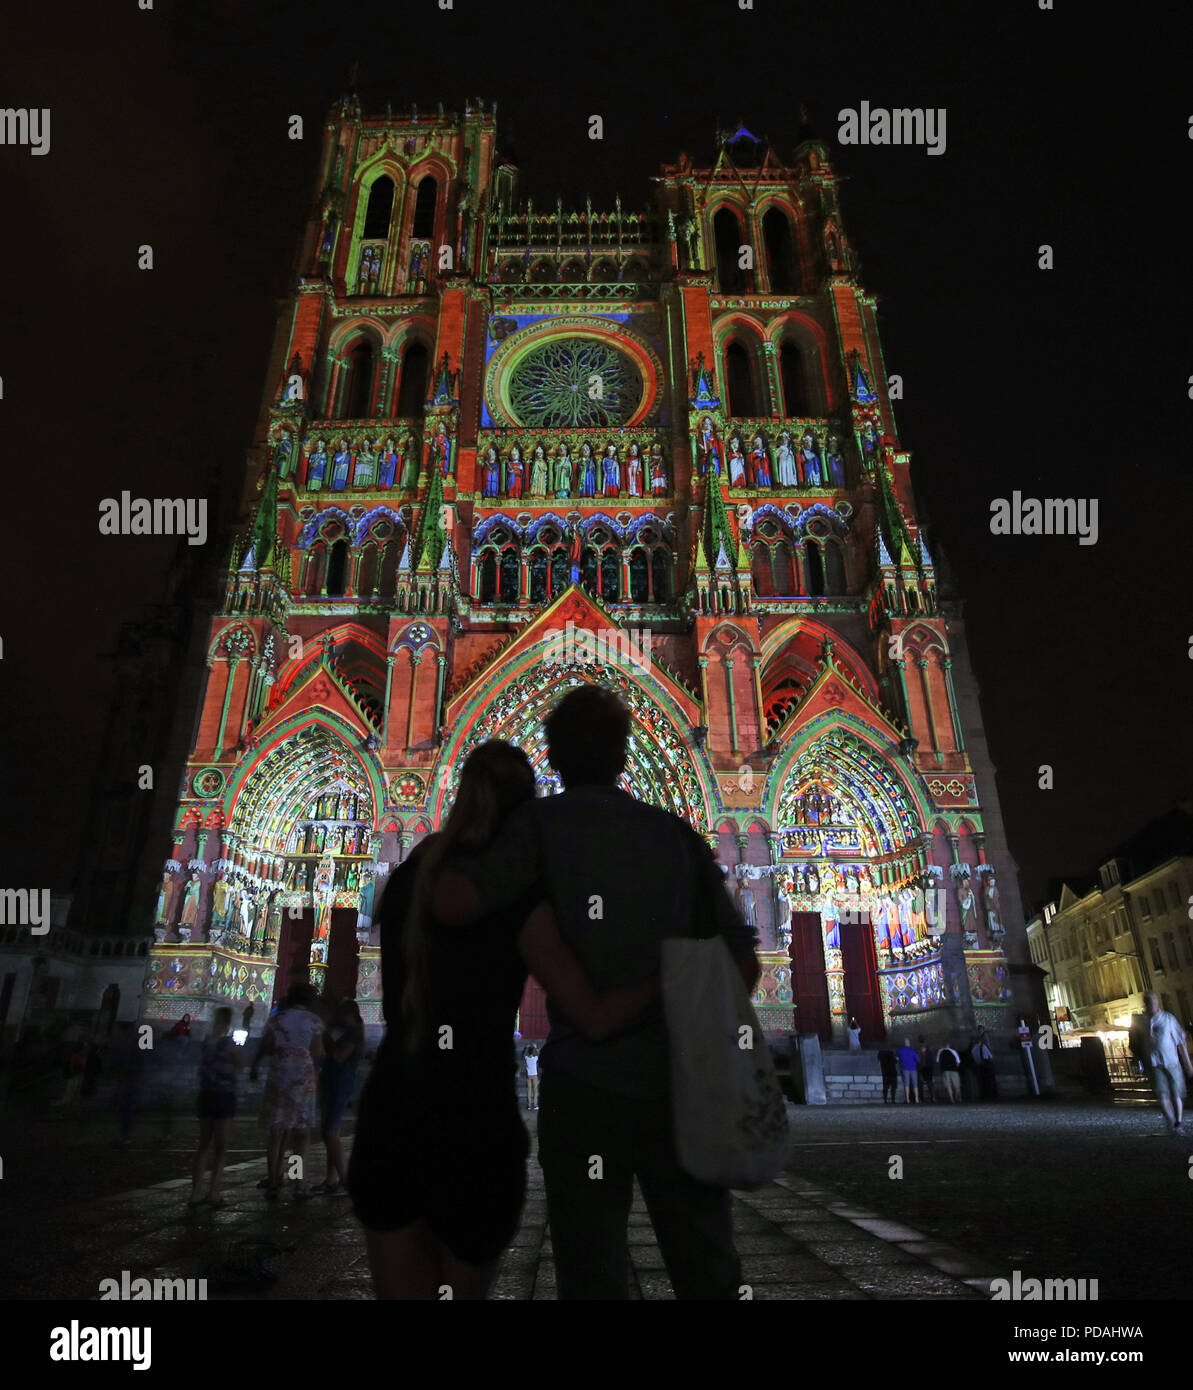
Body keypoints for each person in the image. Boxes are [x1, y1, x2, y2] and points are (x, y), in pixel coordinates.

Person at [434, 688, 761, 1301]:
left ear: (552, 758)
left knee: (590, 1270)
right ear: (625, 753)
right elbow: (742, 963)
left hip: (582, 1086)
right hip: (680, 1089)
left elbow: (454, 902)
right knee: (706, 1262)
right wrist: (673, 996)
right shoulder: (676, 836)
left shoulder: (538, 827)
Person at [348, 740, 660, 1301]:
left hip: (391, 1116)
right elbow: (590, 1011)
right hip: (474, 1125)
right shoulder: (512, 893)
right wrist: (669, 977)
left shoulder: (407, 878)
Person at [252, 983, 325, 1199]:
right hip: (302, 1077)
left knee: (277, 1131)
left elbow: (266, 1045)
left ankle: (274, 1179)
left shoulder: (278, 1018)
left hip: (279, 1074)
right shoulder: (313, 1021)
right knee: (300, 1133)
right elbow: (318, 1051)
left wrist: (256, 1065)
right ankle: (298, 1183)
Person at [190, 1006, 242, 1207]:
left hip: (205, 1095)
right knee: (221, 1146)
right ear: (229, 1024)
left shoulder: (205, 1043)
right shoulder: (231, 1045)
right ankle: (213, 1192)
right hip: (224, 1096)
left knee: (203, 1144)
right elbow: (240, 1065)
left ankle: (195, 1192)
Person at [314, 998, 364, 1195]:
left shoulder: (353, 1033)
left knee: (331, 1133)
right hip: (333, 1084)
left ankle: (345, 1181)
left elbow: (338, 1055)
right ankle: (330, 1179)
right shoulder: (348, 1032)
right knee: (328, 1132)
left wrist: (324, 1035)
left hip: (340, 1086)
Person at [1141, 991, 1193, 1134]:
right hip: (1154, 1063)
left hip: (1171, 1062)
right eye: (1147, 1002)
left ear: (1157, 1003)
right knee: (1162, 1094)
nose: (1150, 1004)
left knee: (1176, 1094)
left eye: (1152, 1001)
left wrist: (1187, 1063)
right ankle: (1171, 1121)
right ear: (1144, 1004)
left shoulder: (1168, 1019)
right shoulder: (1142, 1021)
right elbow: (1140, 1043)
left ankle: (1178, 1122)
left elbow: (1180, 1041)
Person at [971, 1029, 997, 1099]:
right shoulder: (983, 1047)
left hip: (979, 1066)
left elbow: (974, 1058)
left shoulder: (973, 1049)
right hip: (987, 1065)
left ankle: (985, 1094)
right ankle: (992, 1094)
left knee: (983, 1081)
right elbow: (990, 1056)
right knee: (990, 1080)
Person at [896, 1036, 920, 1104]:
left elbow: (897, 1059)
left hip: (905, 1069)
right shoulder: (912, 1050)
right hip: (913, 1068)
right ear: (909, 1043)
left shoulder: (900, 1050)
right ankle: (916, 1099)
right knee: (915, 1084)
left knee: (907, 1084)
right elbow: (918, 1060)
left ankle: (907, 1099)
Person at [917, 1034, 935, 1102]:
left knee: (921, 1083)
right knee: (929, 1082)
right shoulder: (929, 1048)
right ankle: (932, 1097)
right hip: (928, 1067)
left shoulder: (919, 1048)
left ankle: (922, 1098)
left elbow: (918, 1058)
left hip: (922, 1067)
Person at [523, 1043, 540, 1111]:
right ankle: (535, 1105)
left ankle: (529, 1105)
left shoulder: (527, 1058)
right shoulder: (535, 1058)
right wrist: (535, 1048)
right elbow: (539, 1054)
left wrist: (526, 1048)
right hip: (534, 1075)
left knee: (529, 1091)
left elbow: (524, 1054)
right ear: (533, 1052)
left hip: (528, 1076)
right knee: (535, 1091)